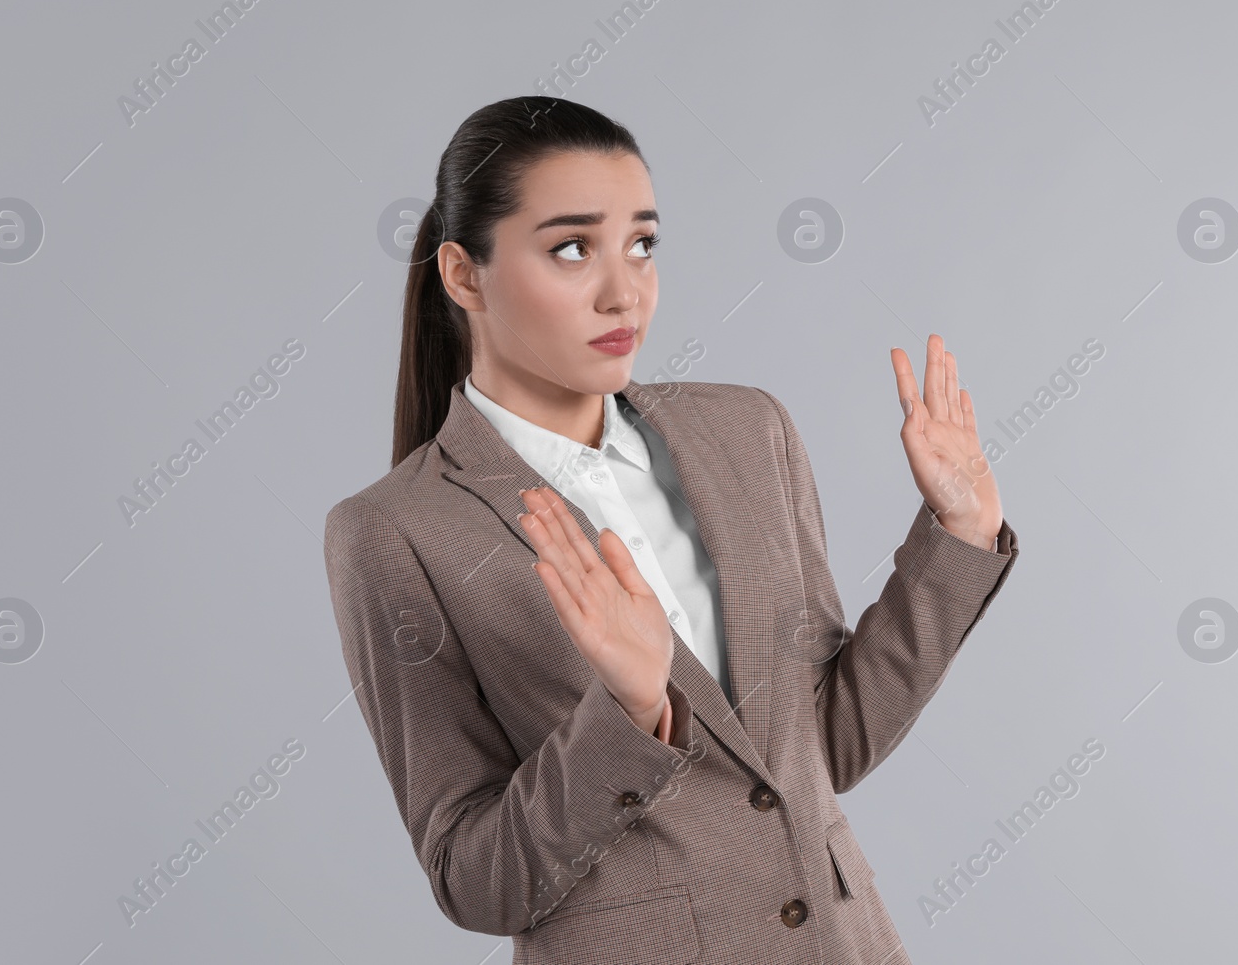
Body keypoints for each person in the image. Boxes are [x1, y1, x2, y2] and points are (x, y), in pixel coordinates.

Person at [322, 96, 1019, 964]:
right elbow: (473, 877)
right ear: (465, 275)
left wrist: (959, 528)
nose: (625, 291)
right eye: (571, 248)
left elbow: (824, 744)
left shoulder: (749, 431)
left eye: (642, 244)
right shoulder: (395, 530)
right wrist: (626, 711)